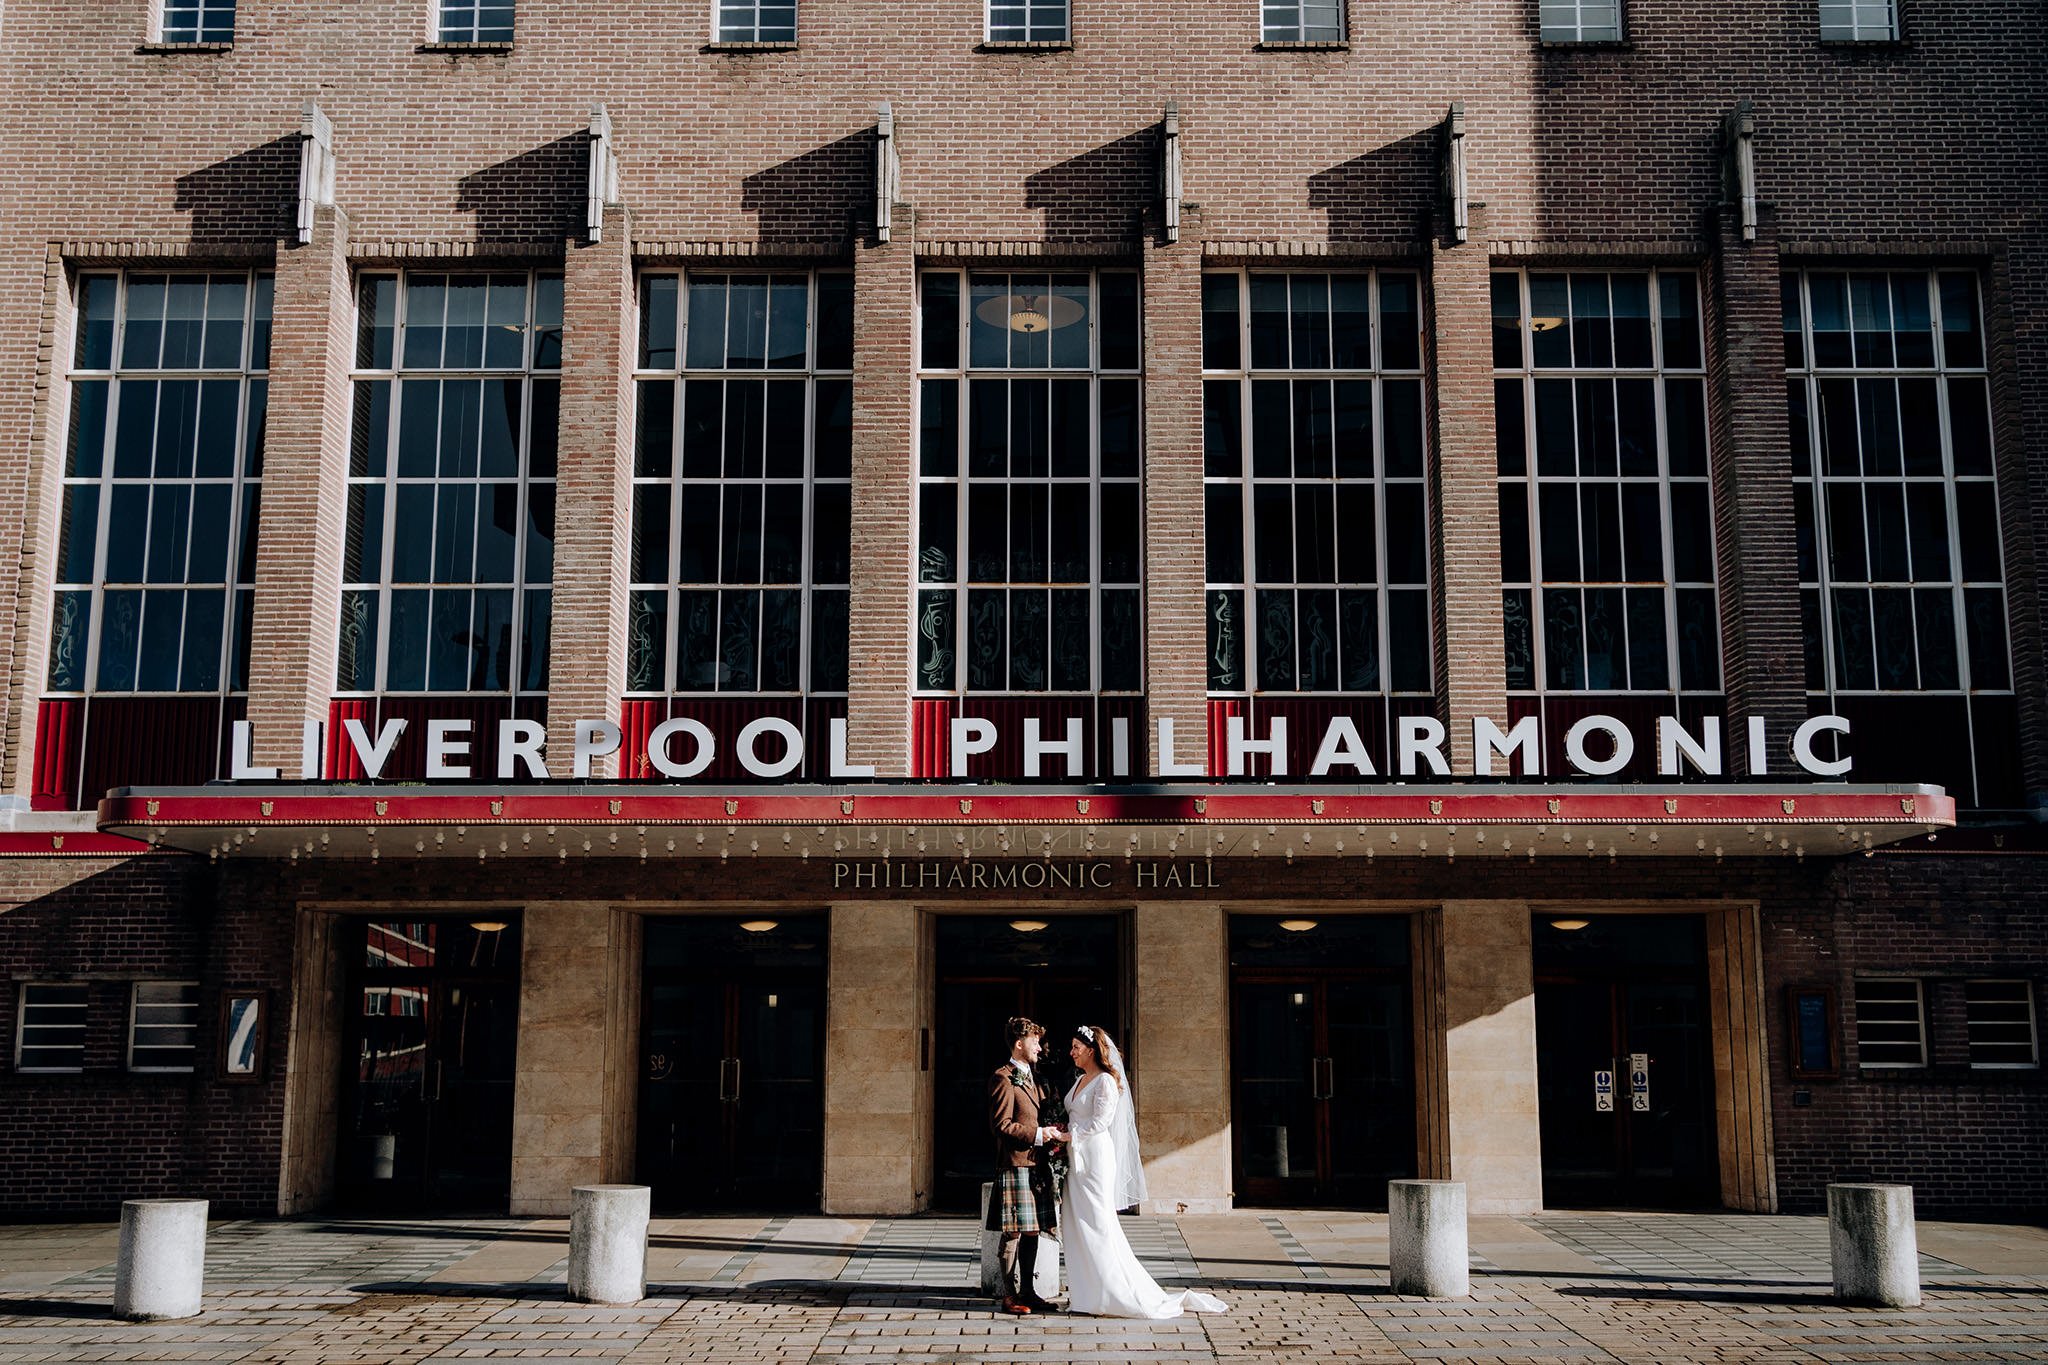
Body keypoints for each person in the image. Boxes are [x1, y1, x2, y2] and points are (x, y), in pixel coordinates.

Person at [1049, 1025, 1228, 1319]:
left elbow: (1101, 1122)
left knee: (1098, 1223)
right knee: (1076, 1224)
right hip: (1076, 1157)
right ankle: (1087, 1294)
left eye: (1076, 1048)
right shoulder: (1081, 1079)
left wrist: (1066, 1136)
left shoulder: (1105, 1081)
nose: (1071, 1053)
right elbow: (1078, 1116)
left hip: (1094, 1158)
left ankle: (1115, 1292)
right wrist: (1064, 1131)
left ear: (1091, 1051)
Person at [986, 1015, 1061, 1315]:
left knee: (1033, 1230)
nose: (1040, 1049)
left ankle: (1029, 1291)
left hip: (1038, 1165)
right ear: (1019, 1044)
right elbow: (1001, 1125)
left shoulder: (1039, 1079)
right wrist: (1039, 1135)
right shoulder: (1002, 1078)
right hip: (1016, 1164)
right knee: (1014, 1232)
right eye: (1035, 1042)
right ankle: (1009, 1295)